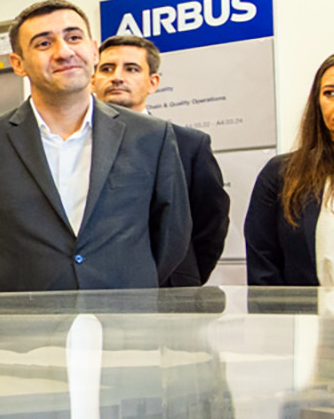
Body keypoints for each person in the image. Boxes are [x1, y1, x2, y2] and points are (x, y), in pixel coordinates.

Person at [0, 0, 190, 293]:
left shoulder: (152, 136)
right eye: (43, 43)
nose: (63, 52)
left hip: (125, 315)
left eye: (74, 38)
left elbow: (172, 237)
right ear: (18, 64)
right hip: (24, 317)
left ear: (94, 50)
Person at [91, 34, 229, 286]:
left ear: (153, 82)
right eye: (106, 69)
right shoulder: (76, 145)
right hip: (93, 287)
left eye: (131, 69)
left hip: (168, 290)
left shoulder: (190, 145)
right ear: (92, 81)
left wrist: (182, 276)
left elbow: (210, 223)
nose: (117, 77)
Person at [244, 52, 334, 286]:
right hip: (306, 310)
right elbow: (262, 269)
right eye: (330, 93)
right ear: (316, 102)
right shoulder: (281, 174)